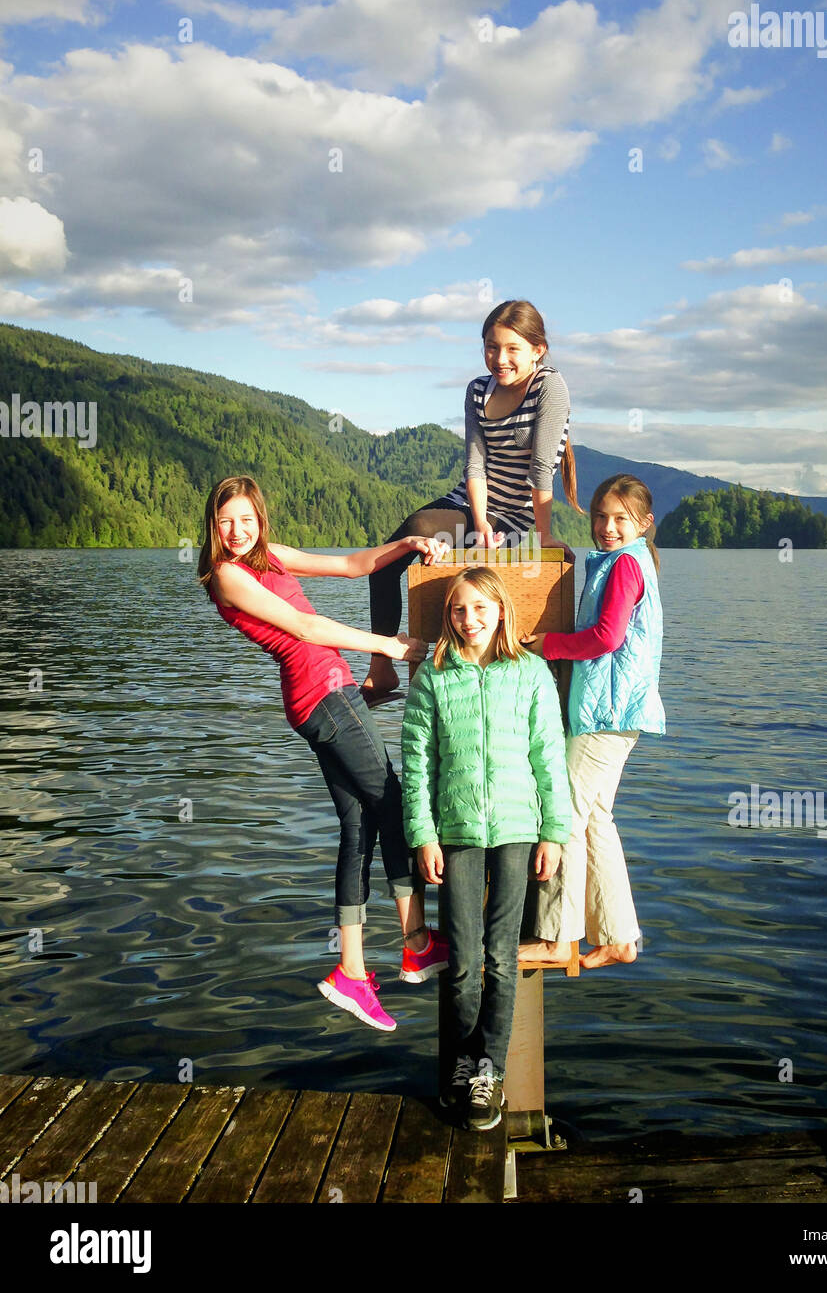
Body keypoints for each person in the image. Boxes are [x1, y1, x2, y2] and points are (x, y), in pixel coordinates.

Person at [197, 475, 452, 1033]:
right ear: (212, 527)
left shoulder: (270, 557)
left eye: (245, 519)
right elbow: (306, 626)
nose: (237, 531)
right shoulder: (227, 576)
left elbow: (353, 565)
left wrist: (408, 546)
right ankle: (415, 944)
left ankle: (353, 972)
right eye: (225, 521)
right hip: (323, 696)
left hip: (323, 696)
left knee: (359, 825)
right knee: (392, 804)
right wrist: (387, 645)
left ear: (259, 519)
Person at [401, 567, 571, 1130]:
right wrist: (423, 834)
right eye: (457, 610)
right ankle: (455, 1068)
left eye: (479, 608)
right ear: (448, 618)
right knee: (462, 962)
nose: (468, 620)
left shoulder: (531, 673)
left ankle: (489, 1073)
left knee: (502, 959)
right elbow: (418, 764)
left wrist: (554, 832)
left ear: (501, 612)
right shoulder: (434, 675)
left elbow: (549, 757)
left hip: (519, 831)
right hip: (457, 833)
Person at [361, 298, 584, 706]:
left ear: (538, 350)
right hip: (472, 504)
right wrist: (479, 525)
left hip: (516, 514)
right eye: (491, 347)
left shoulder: (549, 386)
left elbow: (540, 469)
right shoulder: (478, 390)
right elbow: (475, 464)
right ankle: (382, 667)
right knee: (388, 560)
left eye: (512, 349)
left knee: (440, 553)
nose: (500, 359)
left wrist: (545, 535)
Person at [518, 475, 665, 970]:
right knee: (597, 817)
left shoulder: (625, 564)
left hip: (607, 712)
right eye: (600, 516)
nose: (606, 527)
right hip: (618, 712)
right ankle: (621, 937)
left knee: (564, 815)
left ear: (643, 524)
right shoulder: (624, 561)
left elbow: (606, 637)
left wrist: (549, 646)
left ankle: (560, 940)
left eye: (620, 519)